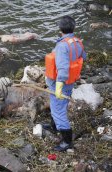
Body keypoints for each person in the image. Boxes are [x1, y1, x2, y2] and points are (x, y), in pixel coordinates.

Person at [45, 16, 87, 151]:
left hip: (61, 83)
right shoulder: (77, 42)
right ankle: (54, 127)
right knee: (55, 105)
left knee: (59, 112)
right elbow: (83, 57)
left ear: (60, 29)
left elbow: (62, 69)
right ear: (73, 27)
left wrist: (58, 86)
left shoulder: (63, 45)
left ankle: (67, 141)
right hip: (70, 82)